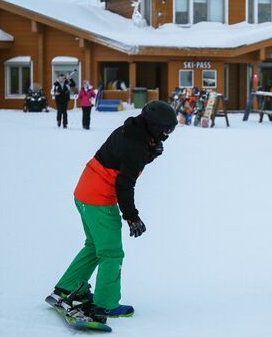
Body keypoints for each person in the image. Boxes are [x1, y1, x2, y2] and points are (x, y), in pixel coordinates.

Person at [47, 101, 177, 320]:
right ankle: (105, 303)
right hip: (99, 200)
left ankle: (67, 287)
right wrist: (131, 216)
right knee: (111, 253)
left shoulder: (130, 130)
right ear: (154, 126)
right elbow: (124, 183)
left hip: (84, 192)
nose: (167, 135)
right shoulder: (136, 145)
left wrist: (150, 153)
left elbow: (123, 161)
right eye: (166, 130)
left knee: (94, 246)